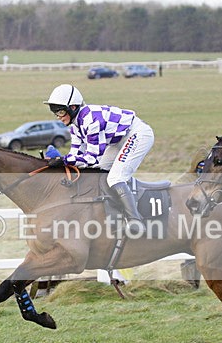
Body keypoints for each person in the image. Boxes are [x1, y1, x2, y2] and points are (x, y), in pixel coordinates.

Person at [44, 84, 155, 236]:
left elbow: (91, 158)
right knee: (99, 171)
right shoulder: (75, 127)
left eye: (61, 112)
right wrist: (61, 162)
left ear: (73, 107)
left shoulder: (91, 120)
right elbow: (76, 156)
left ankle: (135, 221)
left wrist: (63, 160)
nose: (59, 117)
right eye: (55, 113)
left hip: (138, 134)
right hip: (118, 140)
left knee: (115, 178)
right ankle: (113, 212)